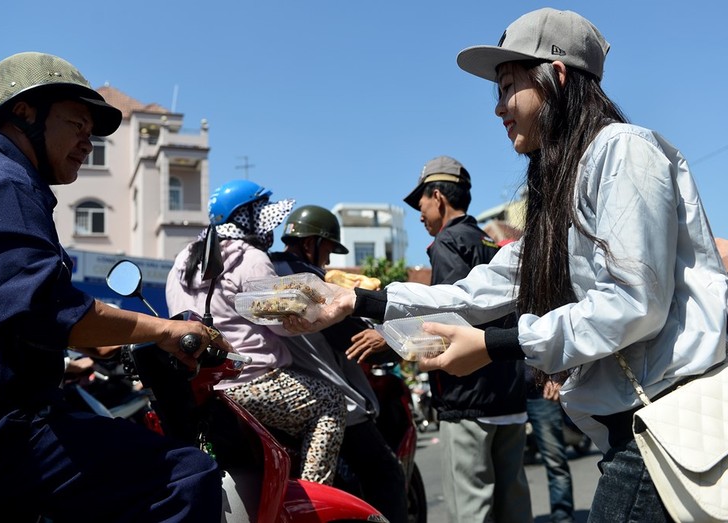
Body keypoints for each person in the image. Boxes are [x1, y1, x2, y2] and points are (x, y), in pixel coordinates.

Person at [285, 8, 728, 522]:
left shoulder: (622, 151)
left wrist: (495, 345)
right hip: (633, 429)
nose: (499, 109)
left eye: (508, 87)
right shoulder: (560, 193)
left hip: (666, 418)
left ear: (557, 77)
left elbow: (634, 303)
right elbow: (476, 293)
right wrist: (356, 300)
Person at [0, 52, 224, 522]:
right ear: (24, 112)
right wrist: (163, 330)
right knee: (185, 476)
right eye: (78, 123)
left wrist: (101, 346)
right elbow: (42, 307)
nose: (88, 141)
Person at [165, 180, 347, 485]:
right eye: (261, 213)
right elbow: (282, 324)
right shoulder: (250, 258)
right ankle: (314, 495)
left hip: (199, 385)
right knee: (331, 401)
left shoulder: (184, 259)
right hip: (249, 381)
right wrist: (331, 308)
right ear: (246, 216)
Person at [402, 156, 530, 523]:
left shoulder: (447, 242)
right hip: (508, 393)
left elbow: (451, 315)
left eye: (422, 204)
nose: (421, 213)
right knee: (514, 508)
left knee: (471, 510)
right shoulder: (489, 241)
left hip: (468, 397)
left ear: (438, 197)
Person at [269, 205, 408, 523]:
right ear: (310, 244)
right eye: (328, 250)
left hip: (279, 399)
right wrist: (392, 344)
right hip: (333, 401)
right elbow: (357, 341)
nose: (329, 261)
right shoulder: (316, 287)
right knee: (388, 476)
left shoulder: (265, 271)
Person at [525, 375, 575, 523]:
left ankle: (563, 518)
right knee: (506, 469)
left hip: (540, 393)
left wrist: (558, 376)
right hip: (506, 399)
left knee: (555, 463)